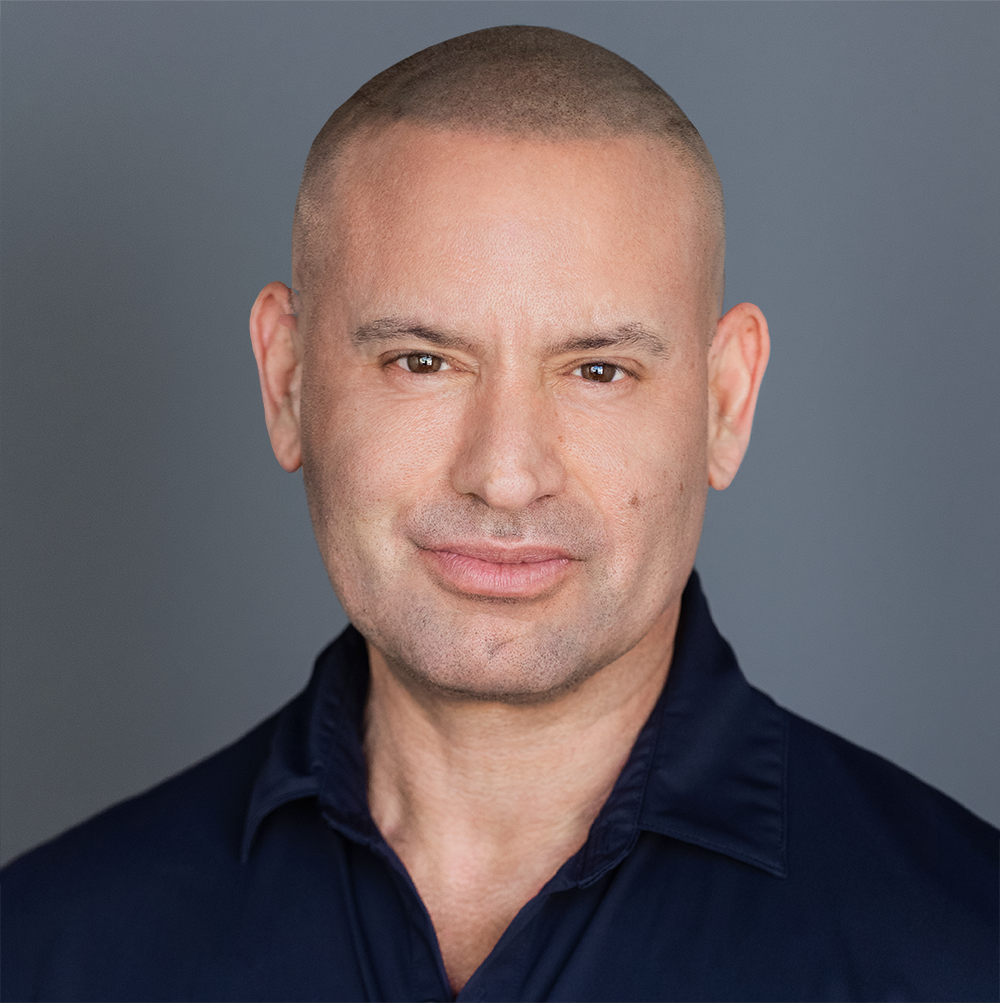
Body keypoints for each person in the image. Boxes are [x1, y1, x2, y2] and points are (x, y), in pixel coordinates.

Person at [2, 25, 998, 1002]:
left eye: (598, 369)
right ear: (287, 378)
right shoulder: (49, 949)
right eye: (422, 362)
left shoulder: (963, 948)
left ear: (723, 404)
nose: (507, 476)